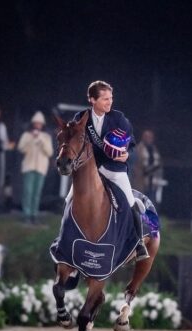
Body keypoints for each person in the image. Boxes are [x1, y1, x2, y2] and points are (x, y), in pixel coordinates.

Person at [70, 80, 147, 258]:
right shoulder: (80, 118)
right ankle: (64, 240)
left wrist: (127, 154)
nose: (110, 102)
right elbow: (73, 142)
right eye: (105, 99)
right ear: (92, 99)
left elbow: (131, 143)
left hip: (113, 168)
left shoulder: (118, 118)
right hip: (89, 170)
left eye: (111, 98)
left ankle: (139, 242)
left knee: (129, 201)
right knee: (69, 201)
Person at [17, 111, 54, 224]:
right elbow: (21, 148)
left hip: (41, 168)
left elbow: (49, 152)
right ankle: (26, 214)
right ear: (33, 124)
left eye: (40, 123)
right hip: (28, 167)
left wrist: (41, 140)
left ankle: (34, 214)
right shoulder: (26, 135)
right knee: (28, 191)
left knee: (37, 193)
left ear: (42, 124)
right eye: (36, 123)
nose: (38, 125)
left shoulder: (46, 137)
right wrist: (31, 139)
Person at [132, 129, 162, 203]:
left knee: (152, 203)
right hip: (141, 182)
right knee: (141, 203)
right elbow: (135, 165)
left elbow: (158, 163)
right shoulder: (138, 149)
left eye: (150, 137)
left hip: (153, 182)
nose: (149, 139)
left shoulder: (154, 149)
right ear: (143, 137)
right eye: (147, 137)